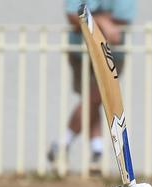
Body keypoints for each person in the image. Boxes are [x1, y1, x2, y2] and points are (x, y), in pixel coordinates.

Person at [48, 0, 137, 174]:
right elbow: (72, 16)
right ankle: (96, 151)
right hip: (80, 52)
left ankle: (64, 143)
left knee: (93, 98)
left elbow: (123, 18)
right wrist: (103, 22)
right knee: (92, 101)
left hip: (111, 53)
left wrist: (90, 19)